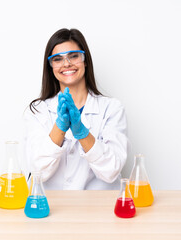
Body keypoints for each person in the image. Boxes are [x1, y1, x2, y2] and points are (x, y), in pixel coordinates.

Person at [23, 28, 128, 190]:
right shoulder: (38, 111)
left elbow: (111, 171)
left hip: (99, 209)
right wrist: (59, 127)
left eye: (73, 56)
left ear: (85, 59)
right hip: (52, 209)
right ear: (50, 66)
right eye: (57, 59)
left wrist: (82, 132)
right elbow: (38, 172)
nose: (67, 63)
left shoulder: (111, 108)